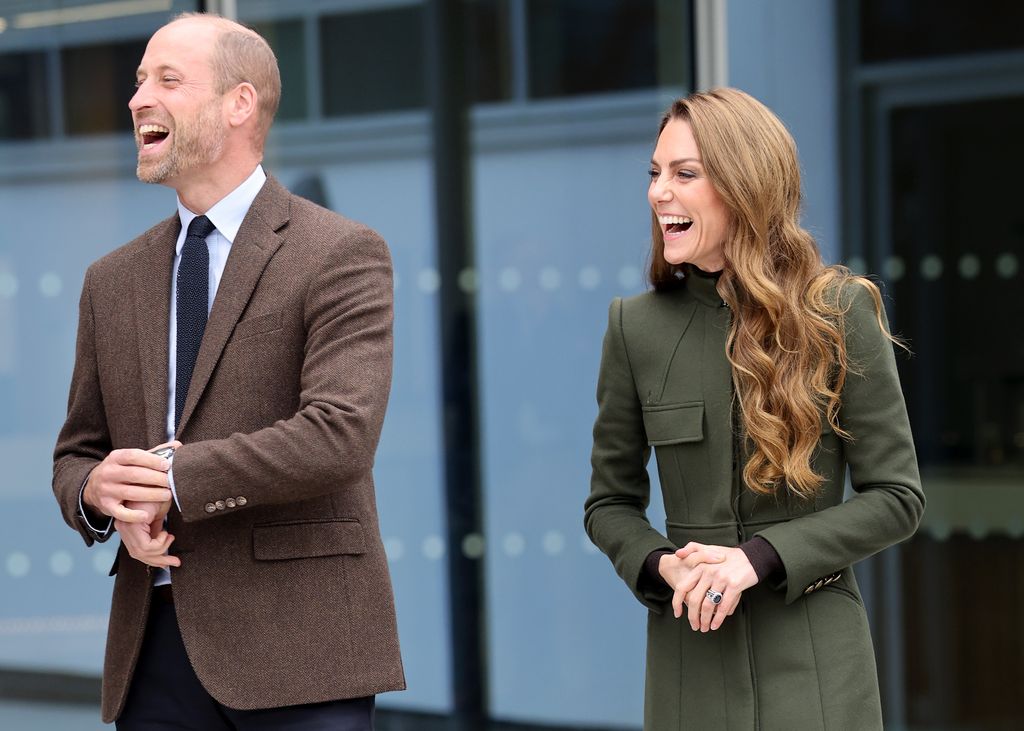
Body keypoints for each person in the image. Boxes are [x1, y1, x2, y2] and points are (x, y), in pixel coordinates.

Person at [51, 13, 403, 729]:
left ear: (240, 104)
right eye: (139, 80)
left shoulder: (341, 252)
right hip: (152, 652)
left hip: (301, 651)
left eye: (167, 79)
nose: (137, 98)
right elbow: (76, 451)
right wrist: (95, 490)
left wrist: (174, 479)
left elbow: (340, 434)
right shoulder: (109, 281)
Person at [584, 88, 924, 730]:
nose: (660, 193)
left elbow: (897, 498)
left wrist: (757, 558)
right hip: (690, 663)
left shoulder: (838, 313)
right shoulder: (634, 328)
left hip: (816, 661)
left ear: (745, 186)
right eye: (655, 174)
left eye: (685, 174)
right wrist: (662, 564)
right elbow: (609, 504)